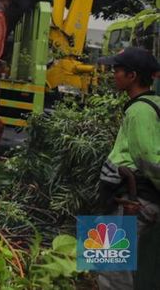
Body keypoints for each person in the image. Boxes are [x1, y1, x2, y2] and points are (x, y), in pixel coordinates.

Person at [95, 47, 160, 290]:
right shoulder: (152, 104)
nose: (113, 75)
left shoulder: (139, 110)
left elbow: (148, 159)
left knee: (109, 267)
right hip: (130, 199)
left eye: (117, 70)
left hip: (133, 200)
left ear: (132, 76)